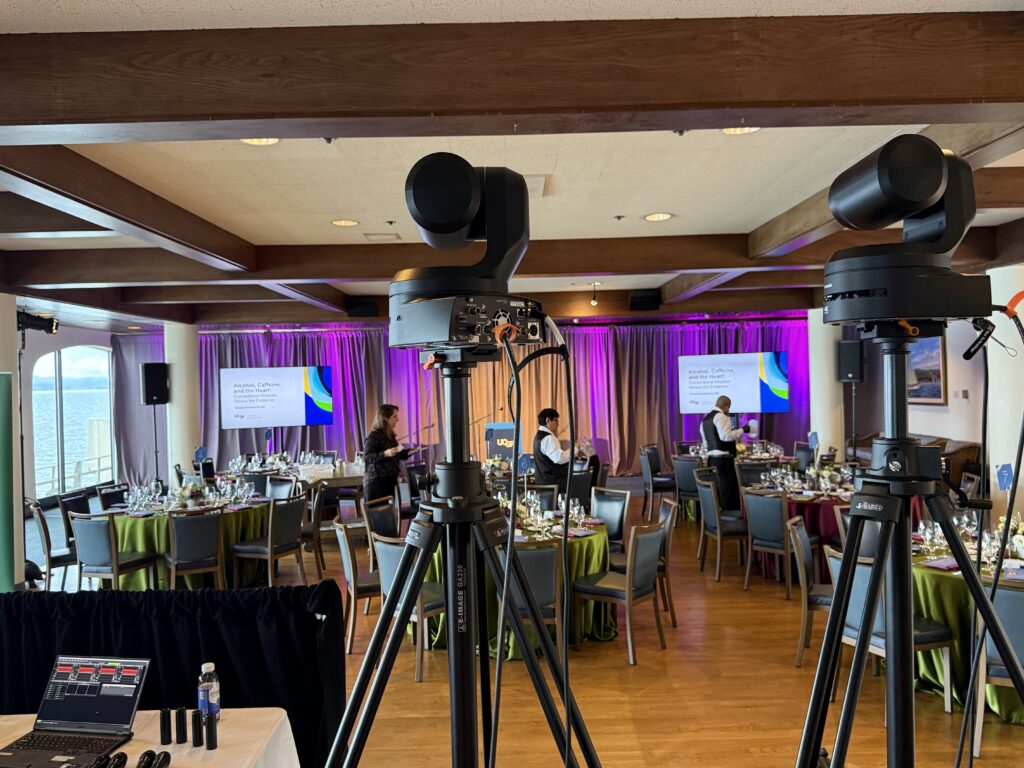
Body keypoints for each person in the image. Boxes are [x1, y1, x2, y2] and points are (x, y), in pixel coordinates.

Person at [700, 395, 752, 511]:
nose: (729, 410)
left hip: (711, 459)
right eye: (729, 408)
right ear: (726, 406)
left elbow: (705, 443)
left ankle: (718, 514)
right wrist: (742, 430)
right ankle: (731, 515)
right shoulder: (721, 416)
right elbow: (726, 436)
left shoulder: (705, 419)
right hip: (724, 460)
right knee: (728, 488)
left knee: (718, 488)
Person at [362, 404, 411, 503]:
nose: (397, 419)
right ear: (385, 418)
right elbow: (367, 457)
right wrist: (384, 454)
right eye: (394, 417)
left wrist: (408, 452)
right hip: (376, 482)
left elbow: (396, 454)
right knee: (378, 511)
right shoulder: (374, 436)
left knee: (389, 510)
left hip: (389, 480)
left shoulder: (390, 435)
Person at [533, 408, 573, 490]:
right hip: (552, 485)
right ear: (548, 420)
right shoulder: (548, 438)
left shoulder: (539, 436)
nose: (558, 424)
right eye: (556, 420)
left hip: (544, 483)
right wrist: (575, 449)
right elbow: (559, 458)